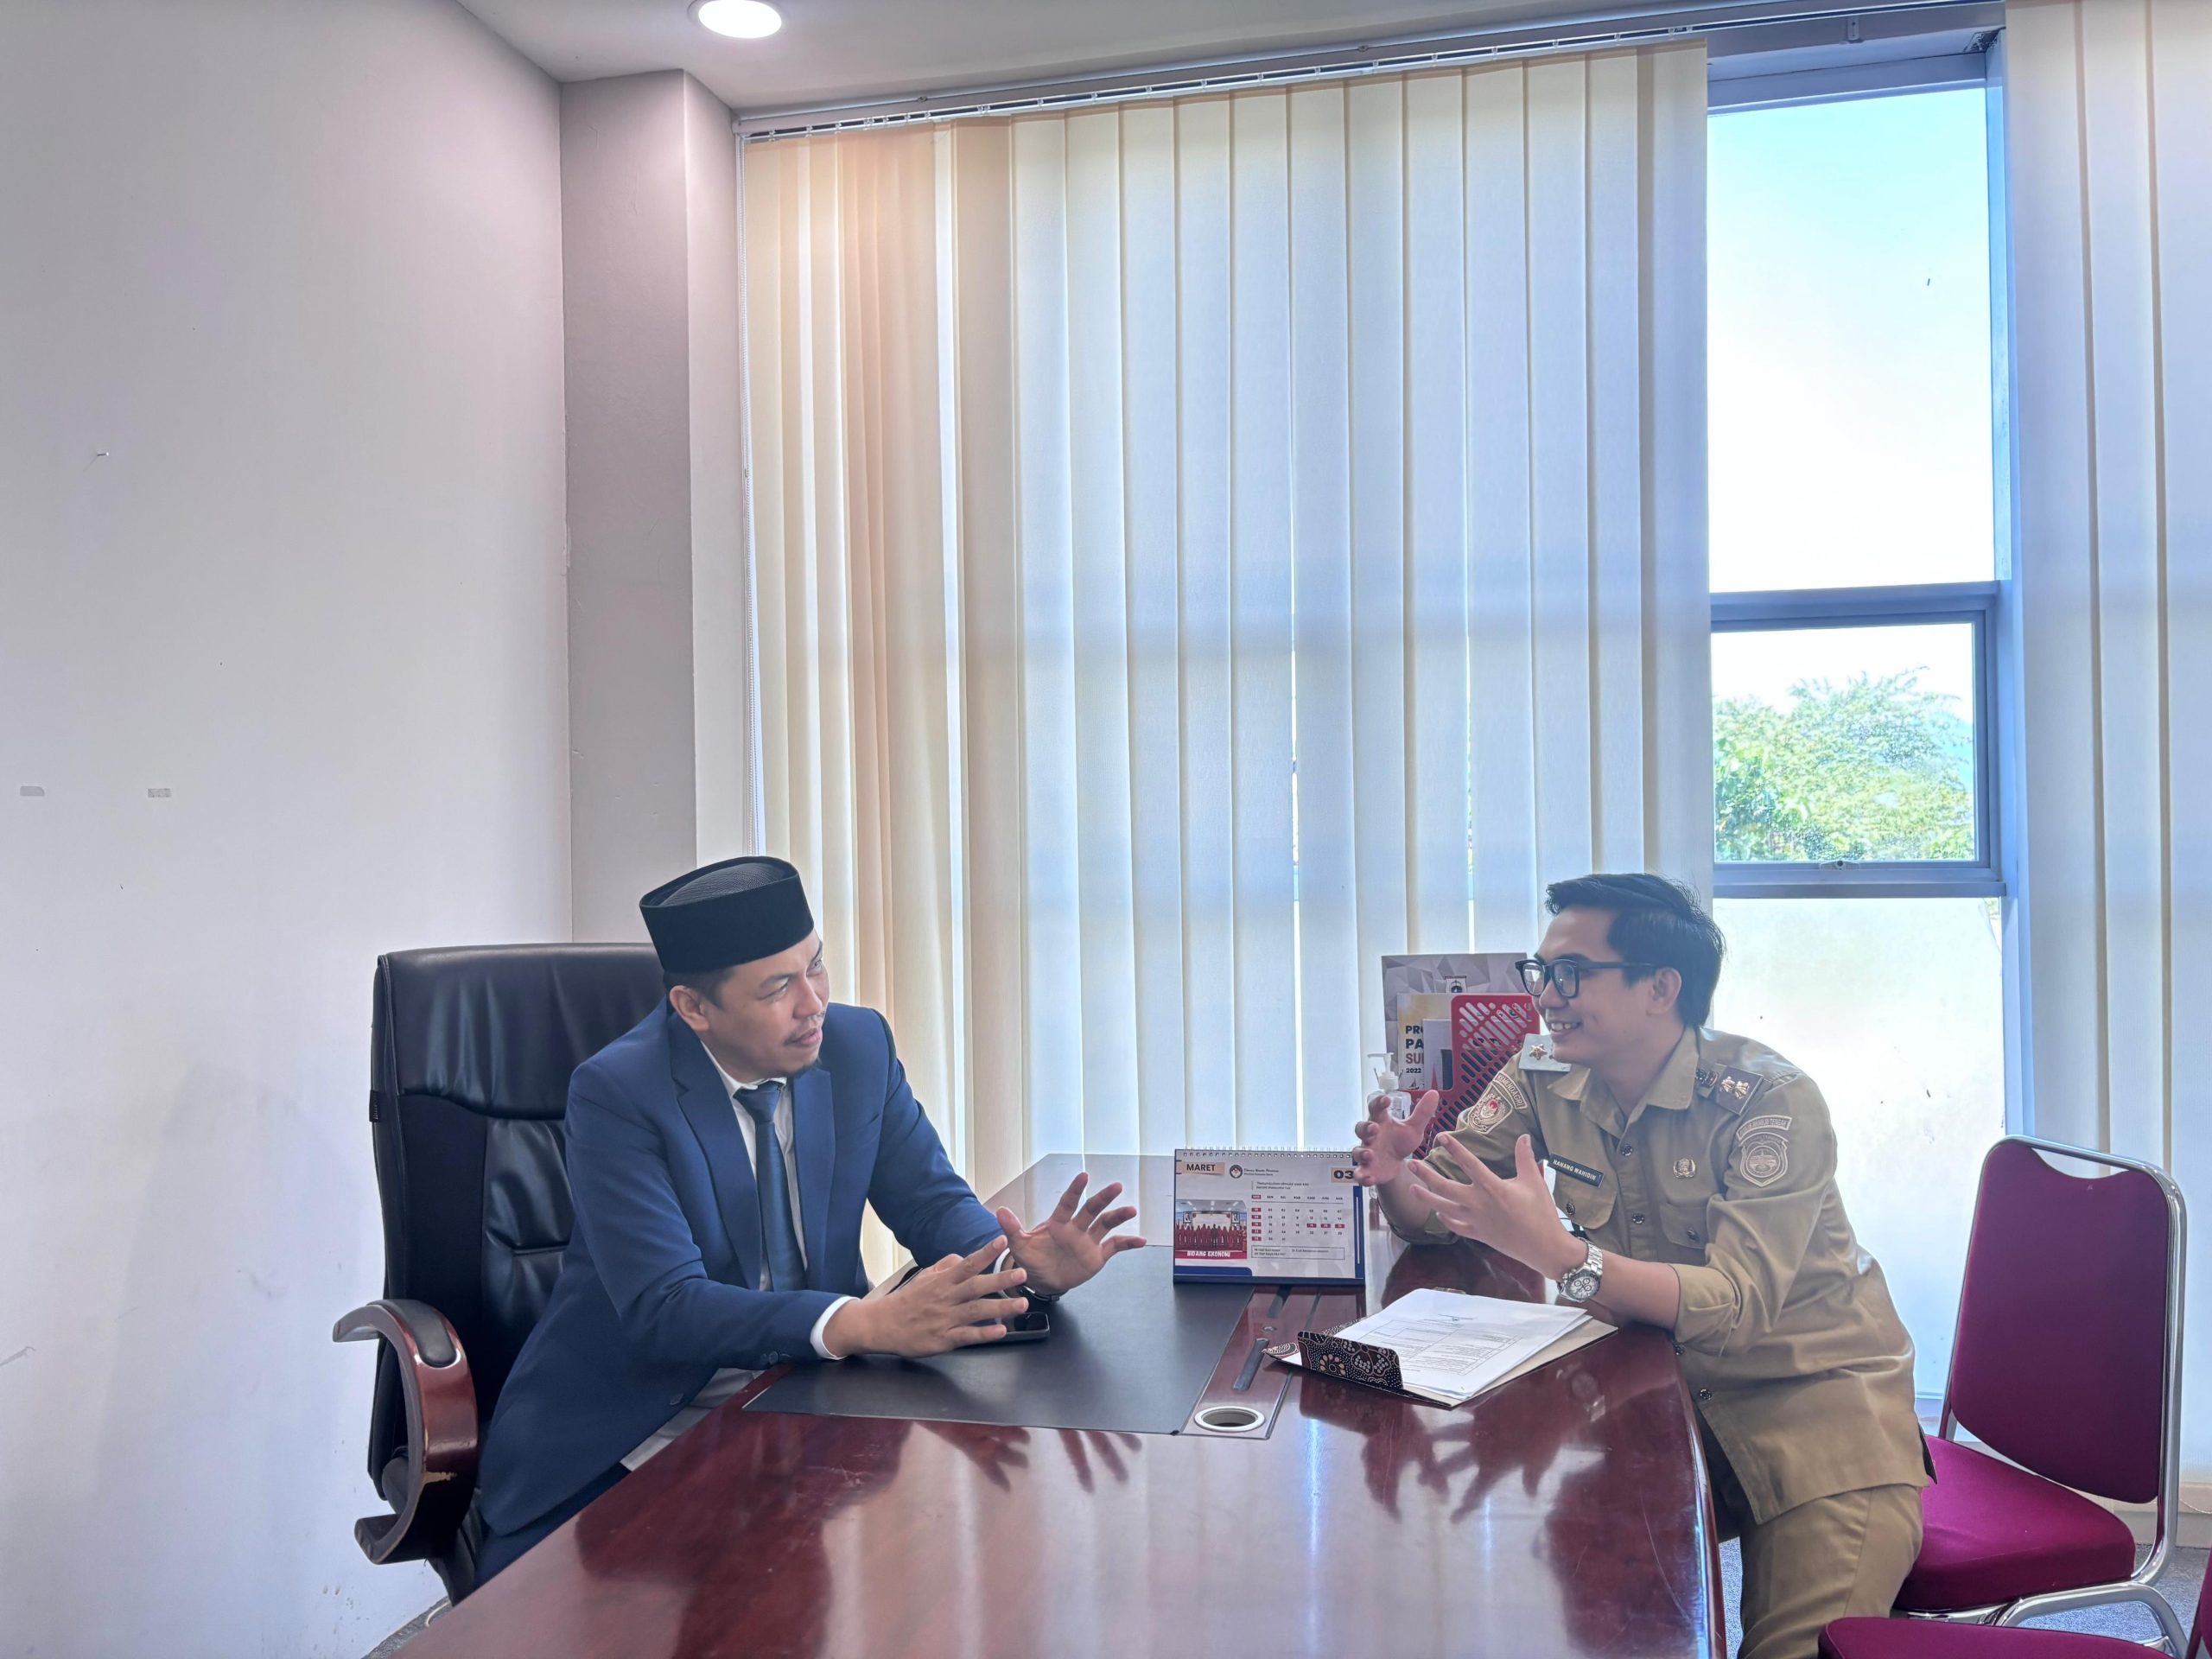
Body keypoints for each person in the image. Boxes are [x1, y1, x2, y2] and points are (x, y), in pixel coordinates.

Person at [474, 855, 1144, 1581]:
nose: (813, 1003)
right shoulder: (618, 1093)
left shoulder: (858, 1047)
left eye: (815, 967)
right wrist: (859, 1322)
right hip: (636, 1430)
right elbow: (665, 1307)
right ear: (694, 1008)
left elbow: (929, 1202)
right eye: (777, 988)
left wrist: (1020, 1268)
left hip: (807, 1406)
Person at [1353, 873, 1929, 1659]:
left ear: (1661, 987)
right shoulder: (1541, 1074)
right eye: (1541, 971)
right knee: (1568, 1616)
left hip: (1815, 1418)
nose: (1545, 996)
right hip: (1657, 1403)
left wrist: (1565, 1257)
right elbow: (1438, 1213)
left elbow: (1735, 1306)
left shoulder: (1769, 1102)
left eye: (1571, 974)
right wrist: (1397, 1177)